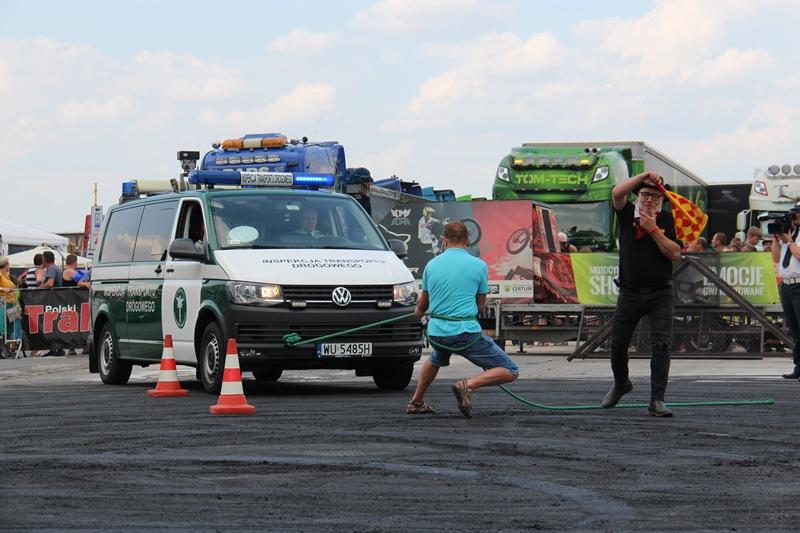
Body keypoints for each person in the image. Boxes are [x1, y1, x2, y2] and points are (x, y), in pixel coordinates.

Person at [407, 221, 519, 418]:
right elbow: (480, 308)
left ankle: (416, 401)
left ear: (444, 240)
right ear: (468, 240)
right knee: (511, 370)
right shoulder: (479, 266)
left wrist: (418, 312)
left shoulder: (431, 265)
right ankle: (468, 385)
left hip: (437, 334)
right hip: (465, 334)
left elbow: (422, 306)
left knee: (436, 357)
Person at [601, 171, 682, 417]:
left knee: (661, 346)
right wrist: (645, 175)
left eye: (655, 197)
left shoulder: (667, 219)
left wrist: (654, 229)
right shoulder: (627, 213)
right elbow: (616, 192)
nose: (649, 200)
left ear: (661, 201)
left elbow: (674, 253)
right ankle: (621, 384)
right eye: (645, 195)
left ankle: (657, 400)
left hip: (660, 293)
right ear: (638, 196)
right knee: (618, 345)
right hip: (630, 291)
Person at [772, 205, 800, 379]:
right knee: (795, 329)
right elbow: (775, 258)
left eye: (797, 213)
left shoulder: (792, 238)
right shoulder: (790, 233)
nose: (795, 216)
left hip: (799, 284)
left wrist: (789, 242)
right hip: (787, 285)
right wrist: (777, 238)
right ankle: (799, 367)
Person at [39, 251, 64, 356]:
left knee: (53, 325)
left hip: (53, 301)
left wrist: (41, 287)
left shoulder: (52, 268)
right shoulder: (54, 268)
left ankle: (56, 348)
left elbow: (50, 283)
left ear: (45, 259)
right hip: (56, 301)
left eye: (43, 259)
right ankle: (56, 348)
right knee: (55, 325)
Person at [0, 258, 21, 358]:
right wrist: (3, 288)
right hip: (4, 304)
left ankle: (11, 349)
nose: (9, 266)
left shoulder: (7, 276)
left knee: (12, 326)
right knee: (6, 328)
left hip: (11, 304)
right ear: (5, 265)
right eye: (8, 264)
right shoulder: (0, 274)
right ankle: (9, 349)